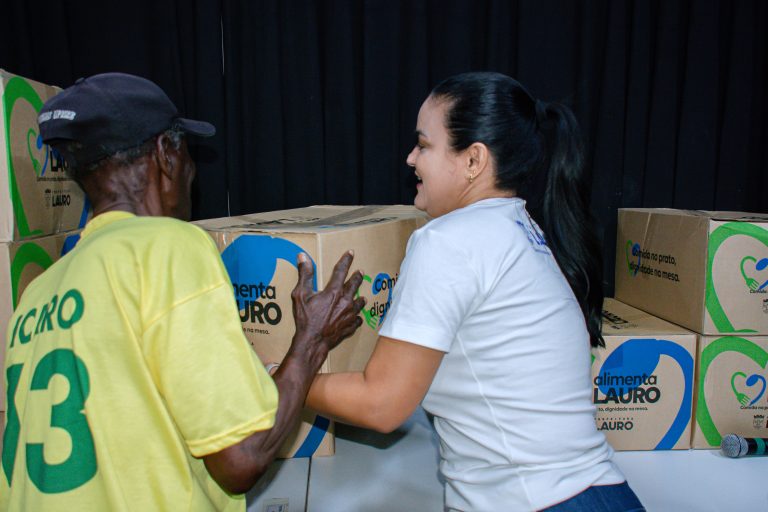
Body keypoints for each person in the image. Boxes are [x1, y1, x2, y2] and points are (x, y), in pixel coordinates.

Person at [0, 72, 365, 511]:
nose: (193, 172)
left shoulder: (38, 292)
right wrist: (313, 341)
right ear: (166, 154)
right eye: (188, 153)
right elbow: (242, 458)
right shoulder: (168, 246)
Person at [305, 71, 645, 511]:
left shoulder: (450, 240)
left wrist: (276, 378)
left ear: (473, 160)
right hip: (595, 493)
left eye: (424, 145)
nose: (410, 158)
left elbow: (381, 404)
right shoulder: (517, 229)